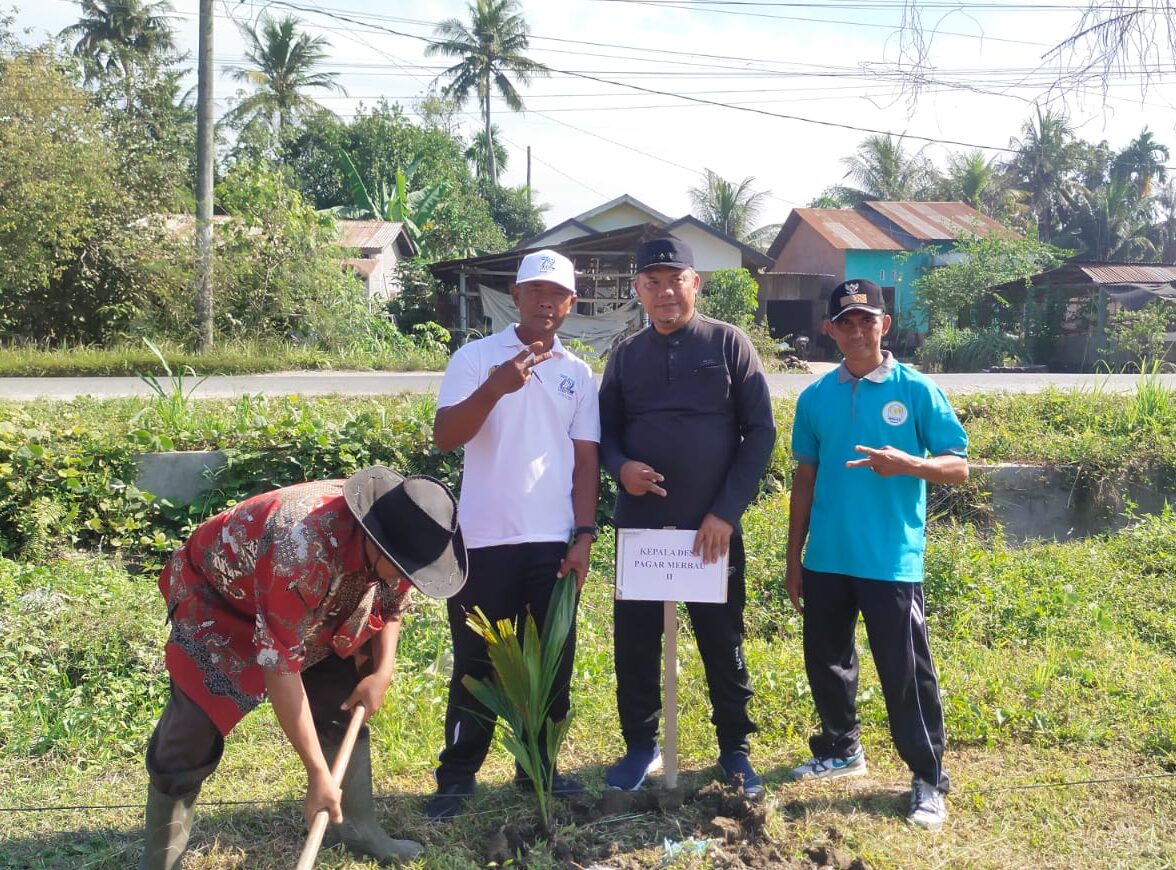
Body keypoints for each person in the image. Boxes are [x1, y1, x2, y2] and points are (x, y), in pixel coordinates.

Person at [140, 467, 467, 869]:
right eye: (404, 570)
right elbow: (280, 666)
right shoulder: (300, 546)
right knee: (190, 731)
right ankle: (160, 861)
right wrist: (316, 775)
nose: (409, 579)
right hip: (222, 597)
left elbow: (393, 601)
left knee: (339, 700)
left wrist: (383, 671)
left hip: (321, 595)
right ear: (377, 544)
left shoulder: (402, 541)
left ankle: (358, 830)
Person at [784, 278, 969, 832]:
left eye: (868, 319)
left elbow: (958, 465)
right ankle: (842, 750)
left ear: (884, 325)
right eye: (846, 321)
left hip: (890, 558)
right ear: (830, 330)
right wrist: (795, 560)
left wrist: (909, 463)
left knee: (905, 672)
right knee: (827, 660)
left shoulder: (916, 389)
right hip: (827, 558)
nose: (857, 329)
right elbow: (804, 481)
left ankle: (928, 777)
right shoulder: (815, 397)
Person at [424, 248, 601, 821]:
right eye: (536, 292)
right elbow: (446, 436)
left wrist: (584, 535)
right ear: (516, 295)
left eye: (558, 295)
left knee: (553, 660)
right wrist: (497, 387)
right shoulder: (476, 358)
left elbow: (585, 463)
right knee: (475, 662)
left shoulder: (578, 374)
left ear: (571, 304)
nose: (546, 303)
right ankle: (457, 775)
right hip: (484, 539)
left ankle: (539, 769)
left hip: (553, 541)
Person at [599, 236, 776, 797]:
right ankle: (640, 747)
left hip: (711, 533)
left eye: (674, 279)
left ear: (695, 283)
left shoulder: (730, 344)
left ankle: (735, 750)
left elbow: (761, 433)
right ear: (638, 292)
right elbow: (604, 435)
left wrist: (726, 512)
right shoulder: (625, 355)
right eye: (651, 283)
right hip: (643, 531)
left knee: (722, 642)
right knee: (636, 642)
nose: (664, 292)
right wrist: (621, 467)